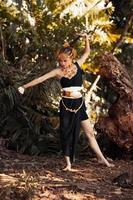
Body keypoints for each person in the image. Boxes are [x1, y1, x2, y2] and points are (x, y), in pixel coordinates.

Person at [18, 33, 114, 171]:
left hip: (79, 105)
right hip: (66, 105)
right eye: (60, 61)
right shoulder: (58, 71)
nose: (62, 63)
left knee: (89, 133)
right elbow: (41, 79)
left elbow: (87, 52)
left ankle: (102, 159)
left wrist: (86, 38)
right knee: (65, 132)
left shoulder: (78, 65)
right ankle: (68, 163)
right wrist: (24, 86)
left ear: (71, 58)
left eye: (64, 61)